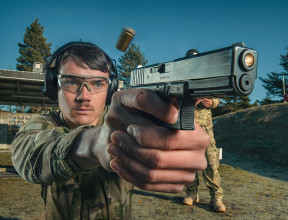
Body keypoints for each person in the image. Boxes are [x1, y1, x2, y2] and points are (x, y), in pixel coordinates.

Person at [10, 41, 209, 219]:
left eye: (98, 84)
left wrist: (170, 131)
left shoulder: (128, 120)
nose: (84, 96)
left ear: (110, 88)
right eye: (72, 82)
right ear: (54, 86)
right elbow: (28, 156)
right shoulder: (44, 125)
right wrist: (94, 144)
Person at [182, 98, 226, 212]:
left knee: (210, 161)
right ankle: (191, 193)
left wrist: (213, 102)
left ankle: (216, 197)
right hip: (187, 123)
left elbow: (216, 96)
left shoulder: (207, 80)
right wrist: (194, 100)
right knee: (188, 161)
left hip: (205, 125)